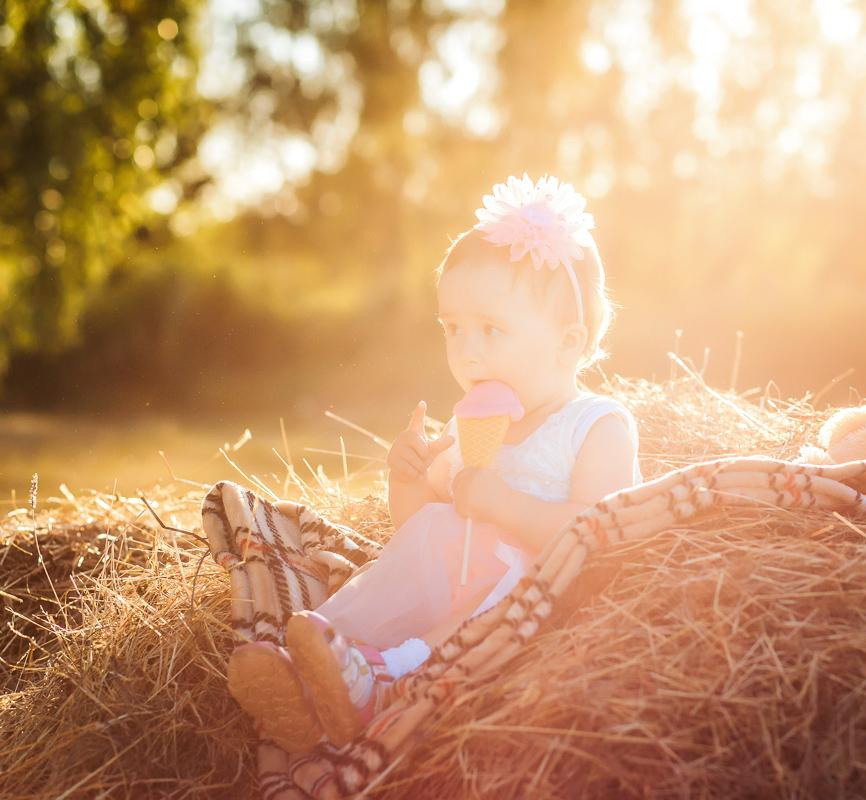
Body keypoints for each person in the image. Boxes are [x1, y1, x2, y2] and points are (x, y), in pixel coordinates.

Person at [227, 174, 642, 753]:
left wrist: (506, 505)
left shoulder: (595, 427)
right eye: (452, 329)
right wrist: (409, 479)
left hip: (533, 599)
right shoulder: (472, 425)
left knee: (492, 591)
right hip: (450, 583)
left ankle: (385, 679)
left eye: (491, 330)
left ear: (568, 343)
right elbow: (412, 529)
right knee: (428, 534)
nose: (466, 351)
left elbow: (604, 534)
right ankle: (316, 664)